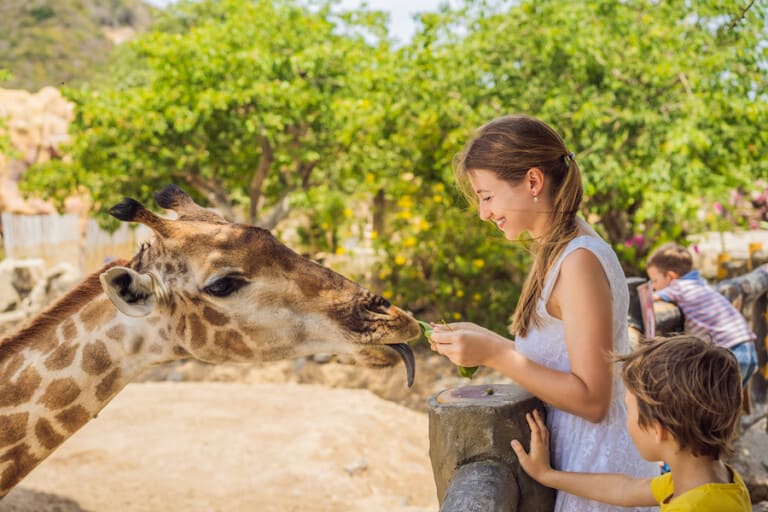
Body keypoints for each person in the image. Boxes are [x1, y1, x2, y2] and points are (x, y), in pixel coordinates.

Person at [428, 114, 658, 511]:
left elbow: (592, 399)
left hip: (594, 468)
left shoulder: (579, 261)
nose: (484, 213)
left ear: (533, 182)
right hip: (583, 462)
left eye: (487, 196)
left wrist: (495, 353)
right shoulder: (562, 248)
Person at [511, 335, 752, 511]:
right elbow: (624, 489)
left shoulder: (692, 506)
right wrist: (547, 475)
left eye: (629, 410)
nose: (627, 420)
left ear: (658, 430)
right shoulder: (717, 481)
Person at [646, 242, 758, 387]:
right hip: (747, 347)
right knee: (729, 402)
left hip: (728, 352)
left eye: (655, 280)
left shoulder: (678, 287)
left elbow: (650, 298)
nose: (653, 286)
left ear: (670, 276)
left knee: (715, 402)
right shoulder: (699, 283)